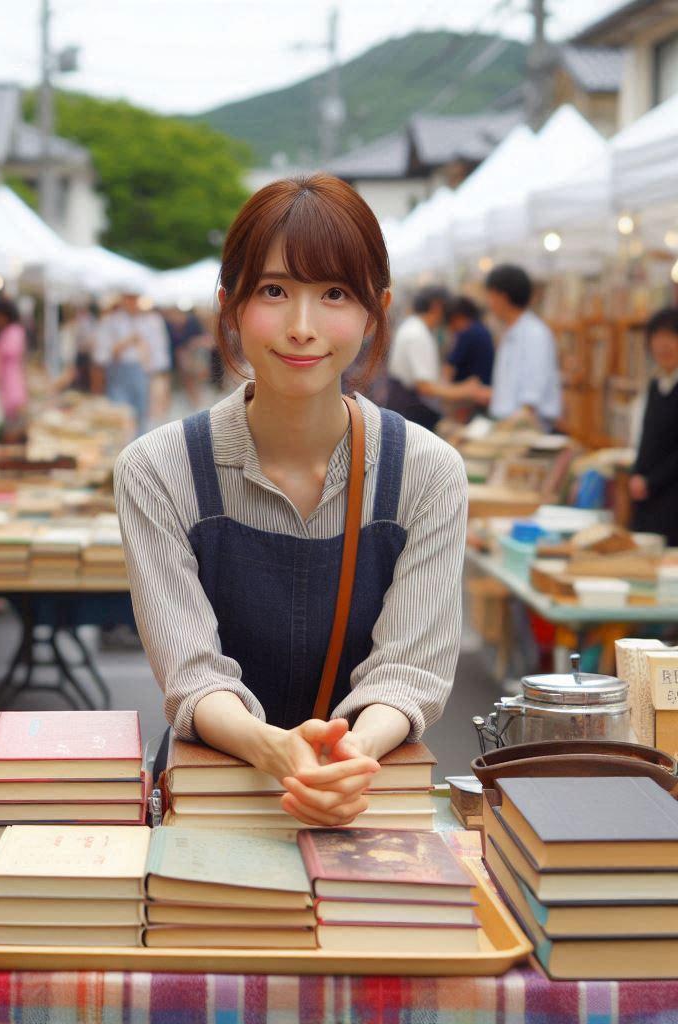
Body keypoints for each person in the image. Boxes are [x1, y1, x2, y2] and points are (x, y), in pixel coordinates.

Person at [115, 174, 468, 828]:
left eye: (334, 293)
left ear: (373, 311)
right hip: (213, 801)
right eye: (274, 291)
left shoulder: (427, 471)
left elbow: (410, 672)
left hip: (362, 796)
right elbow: (192, 673)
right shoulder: (158, 470)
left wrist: (349, 755)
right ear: (229, 304)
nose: (302, 328)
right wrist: (274, 749)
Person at [471, 264, 562, 430]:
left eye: (490, 296)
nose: (489, 303)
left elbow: (531, 395)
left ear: (502, 297)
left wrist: (516, 424)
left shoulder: (534, 333)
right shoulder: (513, 332)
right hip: (509, 423)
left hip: (525, 428)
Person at [386, 287, 476, 430]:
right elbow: (425, 387)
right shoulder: (417, 334)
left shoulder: (415, 327)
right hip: (410, 411)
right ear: (437, 306)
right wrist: (465, 391)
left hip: (408, 406)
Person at [630, 307, 678, 545]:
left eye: (672, 337)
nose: (664, 346)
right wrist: (636, 474)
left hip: (671, 495)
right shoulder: (655, 385)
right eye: (657, 338)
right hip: (646, 495)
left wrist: (651, 481)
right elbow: (646, 438)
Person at [93, 291, 170, 434]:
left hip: (143, 374)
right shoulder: (110, 321)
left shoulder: (152, 321)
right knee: (119, 416)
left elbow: (159, 356)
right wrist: (125, 344)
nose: (133, 302)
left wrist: (159, 383)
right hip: (118, 374)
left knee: (142, 418)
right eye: (129, 298)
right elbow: (101, 356)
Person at [0, 297, 28, 443]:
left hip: (11, 387)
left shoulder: (13, 331)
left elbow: (4, 355)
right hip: (8, 385)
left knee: (11, 433)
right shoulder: (10, 332)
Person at [444, 296, 494, 387]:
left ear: (459, 317)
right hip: (484, 387)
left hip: (472, 392)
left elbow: (450, 366)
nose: (451, 329)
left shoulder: (467, 333)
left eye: (451, 323)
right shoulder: (481, 329)